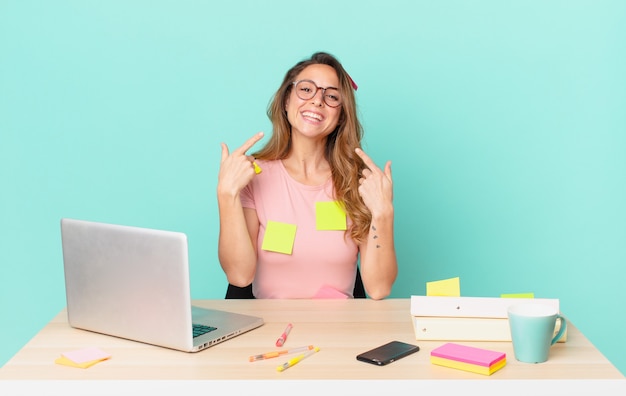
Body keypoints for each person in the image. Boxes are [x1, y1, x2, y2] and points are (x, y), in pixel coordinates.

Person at [217, 52, 397, 300]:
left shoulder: (358, 183)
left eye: (332, 96)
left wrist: (383, 212)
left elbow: (379, 288)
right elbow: (239, 276)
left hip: (339, 333)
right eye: (306, 90)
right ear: (286, 101)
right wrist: (226, 195)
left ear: (341, 115)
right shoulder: (254, 175)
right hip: (270, 333)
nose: (317, 101)